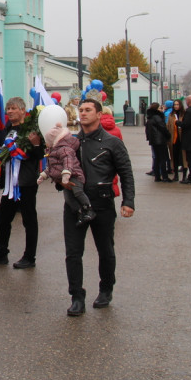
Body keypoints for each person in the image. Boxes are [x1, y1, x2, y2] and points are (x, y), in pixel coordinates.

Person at [65, 97, 135, 316]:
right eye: (81, 110)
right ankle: (77, 296)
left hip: (102, 202)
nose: (83, 113)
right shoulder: (72, 143)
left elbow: (126, 172)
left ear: (98, 114)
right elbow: (60, 167)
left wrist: (128, 201)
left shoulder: (111, 142)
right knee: (73, 253)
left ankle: (106, 289)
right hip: (75, 203)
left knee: (105, 250)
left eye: (88, 110)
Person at [0, 96, 44, 269]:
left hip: (26, 182)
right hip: (10, 183)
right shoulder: (8, 128)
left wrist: (37, 145)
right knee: (3, 217)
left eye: (13, 108)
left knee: (29, 220)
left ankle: (29, 257)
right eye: (8, 108)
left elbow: (39, 156)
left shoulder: (31, 130)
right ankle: (1, 253)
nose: (9, 111)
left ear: (23, 110)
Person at [39, 123, 95, 226]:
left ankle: (88, 209)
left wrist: (66, 174)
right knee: (69, 198)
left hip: (74, 176)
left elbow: (68, 162)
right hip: (64, 179)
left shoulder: (64, 149)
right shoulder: (54, 151)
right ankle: (80, 212)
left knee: (78, 192)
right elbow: (52, 166)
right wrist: (43, 175)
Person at [145, 102, 171, 181]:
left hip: (154, 141)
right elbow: (163, 128)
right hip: (160, 140)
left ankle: (157, 176)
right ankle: (164, 176)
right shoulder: (157, 117)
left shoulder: (150, 117)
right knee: (162, 158)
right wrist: (168, 135)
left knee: (156, 158)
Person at [168, 99, 185, 182]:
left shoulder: (184, 114)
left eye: (177, 104)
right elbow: (168, 126)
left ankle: (184, 175)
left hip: (182, 139)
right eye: (175, 105)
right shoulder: (171, 115)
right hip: (174, 139)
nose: (176, 106)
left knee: (183, 157)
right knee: (174, 157)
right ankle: (176, 175)